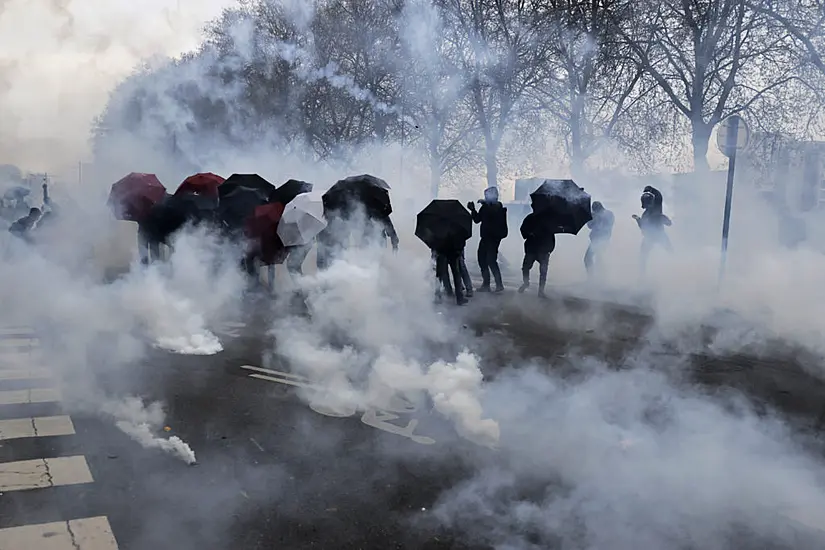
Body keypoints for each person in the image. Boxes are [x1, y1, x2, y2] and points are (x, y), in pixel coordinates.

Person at [468, 187, 507, 293]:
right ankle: (486, 284)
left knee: (491, 260)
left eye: (487, 195)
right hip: (485, 237)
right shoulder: (486, 207)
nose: (485, 197)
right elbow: (477, 220)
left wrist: (485, 203)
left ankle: (499, 284)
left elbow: (493, 212)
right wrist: (473, 210)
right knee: (482, 260)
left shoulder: (498, 206)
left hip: (493, 238)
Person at [633, 185, 672, 274]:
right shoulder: (646, 213)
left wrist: (651, 189)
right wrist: (638, 219)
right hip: (652, 236)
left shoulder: (655, 209)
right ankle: (642, 274)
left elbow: (659, 197)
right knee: (643, 257)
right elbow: (643, 226)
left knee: (669, 251)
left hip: (657, 235)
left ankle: (677, 268)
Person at [518, 209, 556, 298]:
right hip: (533, 248)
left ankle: (540, 290)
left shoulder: (546, 220)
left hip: (541, 249)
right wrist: (529, 234)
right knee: (527, 268)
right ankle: (527, 283)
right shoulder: (531, 218)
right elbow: (523, 229)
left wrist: (550, 249)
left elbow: (551, 235)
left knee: (541, 270)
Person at [584, 201, 614, 277]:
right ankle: (597, 277)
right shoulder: (598, 215)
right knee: (598, 258)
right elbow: (590, 226)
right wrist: (592, 218)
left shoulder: (608, 214)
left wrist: (597, 218)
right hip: (597, 240)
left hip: (601, 240)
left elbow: (607, 226)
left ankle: (594, 278)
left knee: (589, 258)